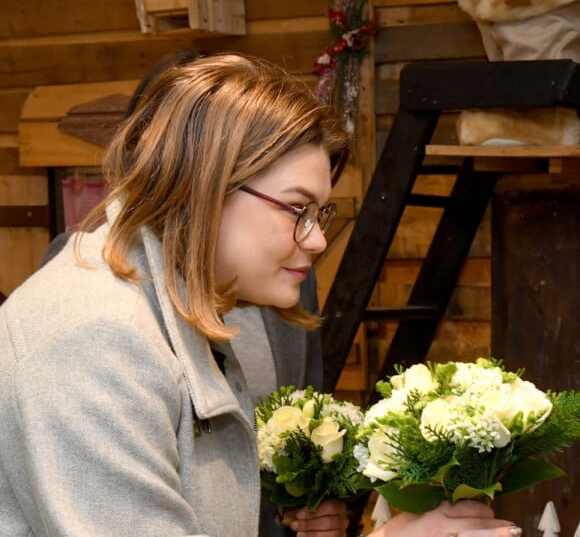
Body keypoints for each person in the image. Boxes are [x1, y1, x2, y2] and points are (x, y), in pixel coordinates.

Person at [0, 52, 521, 537]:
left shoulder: (175, 304)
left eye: (319, 215)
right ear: (206, 186)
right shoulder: (95, 340)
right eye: (297, 209)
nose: (317, 239)